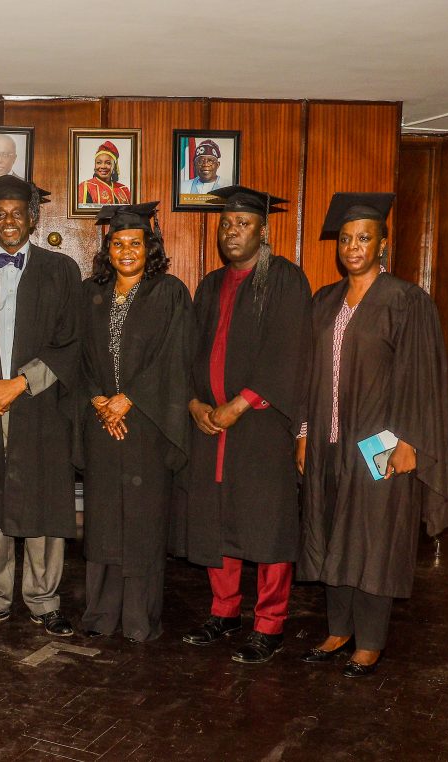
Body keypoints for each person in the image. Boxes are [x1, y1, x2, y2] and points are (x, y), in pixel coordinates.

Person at [297, 193, 448, 677]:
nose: (353, 246)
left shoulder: (406, 300)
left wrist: (409, 441)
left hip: (378, 443)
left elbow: (422, 378)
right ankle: (338, 629)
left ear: (381, 244)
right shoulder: (324, 301)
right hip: (328, 441)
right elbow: (306, 374)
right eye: (345, 239)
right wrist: (303, 432)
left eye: (363, 238)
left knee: (374, 537)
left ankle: (369, 640)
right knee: (331, 529)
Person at [182, 185, 312, 664]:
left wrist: (239, 404)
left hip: (260, 424)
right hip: (211, 425)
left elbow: (289, 350)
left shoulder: (285, 279)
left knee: (267, 523)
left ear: (264, 230)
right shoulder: (210, 284)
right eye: (226, 224)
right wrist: (195, 404)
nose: (231, 231)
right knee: (218, 519)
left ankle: (269, 624)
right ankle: (224, 611)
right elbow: (190, 352)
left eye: (243, 224)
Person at [0, 176, 80, 636]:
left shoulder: (60, 269)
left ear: (33, 218)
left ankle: (44, 601)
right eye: (0, 214)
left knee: (44, 499)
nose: (8, 221)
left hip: (40, 405)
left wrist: (21, 384)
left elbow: (71, 339)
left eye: (17, 214)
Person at [79, 203, 193, 642]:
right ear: (107, 249)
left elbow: (176, 356)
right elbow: (77, 354)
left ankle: (139, 619)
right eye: (118, 243)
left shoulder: (169, 293)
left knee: (144, 523)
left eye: (135, 243)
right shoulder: (90, 294)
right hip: (101, 423)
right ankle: (100, 615)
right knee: (104, 520)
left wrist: (129, 399)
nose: (126, 251)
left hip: (148, 423)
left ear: (150, 248)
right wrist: (99, 400)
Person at [77, 141, 132, 207]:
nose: (103, 166)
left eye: (108, 163)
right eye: (99, 163)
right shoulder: (85, 187)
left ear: (114, 167)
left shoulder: (124, 189)